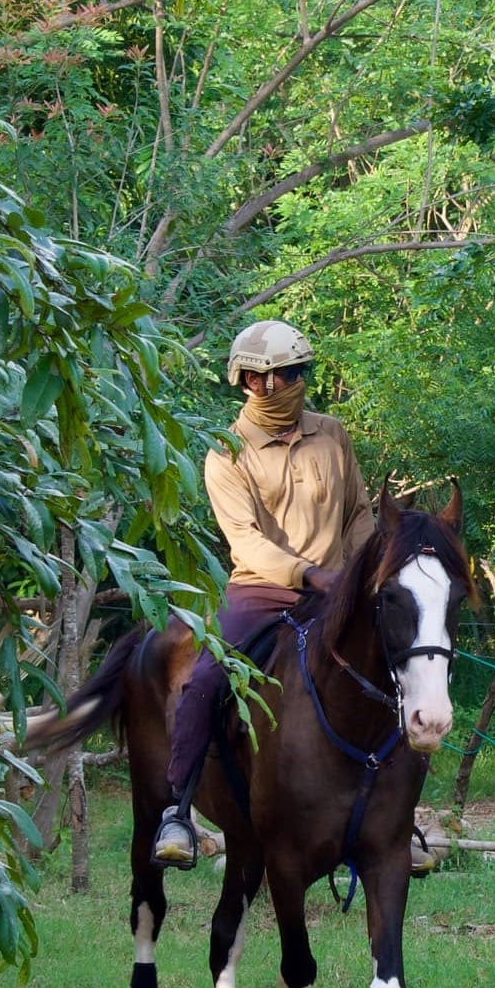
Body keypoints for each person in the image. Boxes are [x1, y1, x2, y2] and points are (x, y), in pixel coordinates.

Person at [152, 319, 373, 870]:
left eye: (290, 374)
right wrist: (306, 574)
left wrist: (360, 574)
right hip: (260, 590)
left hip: (338, 589)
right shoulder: (225, 453)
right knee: (204, 677)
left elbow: (358, 513)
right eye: (262, 377)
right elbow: (245, 540)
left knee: (398, 668)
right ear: (243, 380)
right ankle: (177, 809)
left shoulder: (333, 434)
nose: (276, 387)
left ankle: (396, 816)